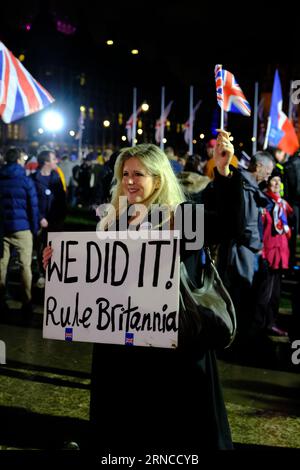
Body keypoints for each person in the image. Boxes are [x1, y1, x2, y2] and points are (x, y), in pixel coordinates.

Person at [43, 132, 244, 453]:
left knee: (168, 435)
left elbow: (232, 225)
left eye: (138, 174)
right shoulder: (112, 221)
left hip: (170, 354)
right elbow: (96, 277)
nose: (130, 181)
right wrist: (59, 265)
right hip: (121, 355)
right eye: (125, 174)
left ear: (159, 178)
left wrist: (223, 172)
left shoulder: (182, 216)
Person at [0, 147, 39, 322]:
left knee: (1, 266)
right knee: (25, 266)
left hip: (2, 228)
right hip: (22, 228)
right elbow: (33, 206)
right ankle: (27, 301)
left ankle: (1, 300)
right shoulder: (25, 180)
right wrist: (34, 227)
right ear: (18, 160)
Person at [31, 149, 66, 288]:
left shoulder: (56, 179)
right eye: (53, 159)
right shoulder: (33, 179)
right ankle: (41, 273)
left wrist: (61, 217)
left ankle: (53, 274)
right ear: (46, 162)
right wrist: (40, 218)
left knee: (54, 249)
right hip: (40, 222)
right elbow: (31, 202)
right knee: (40, 249)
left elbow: (62, 200)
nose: (56, 161)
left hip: (55, 221)